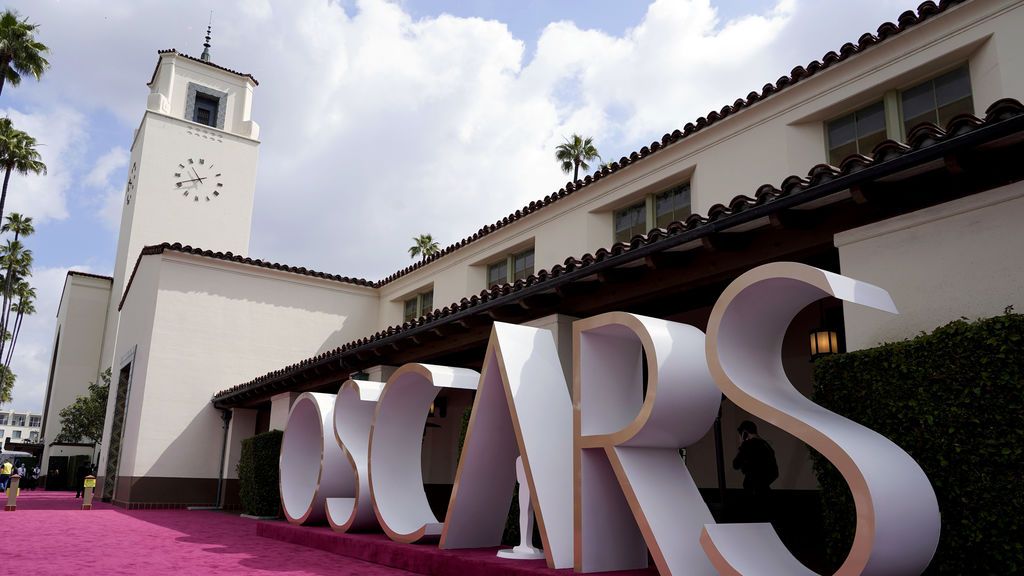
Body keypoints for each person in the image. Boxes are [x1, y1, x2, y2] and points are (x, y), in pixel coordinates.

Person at [732, 420, 778, 522]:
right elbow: (775, 473)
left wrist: (743, 444)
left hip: (751, 496)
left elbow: (735, 464)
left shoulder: (748, 445)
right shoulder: (767, 446)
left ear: (744, 433)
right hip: (766, 494)